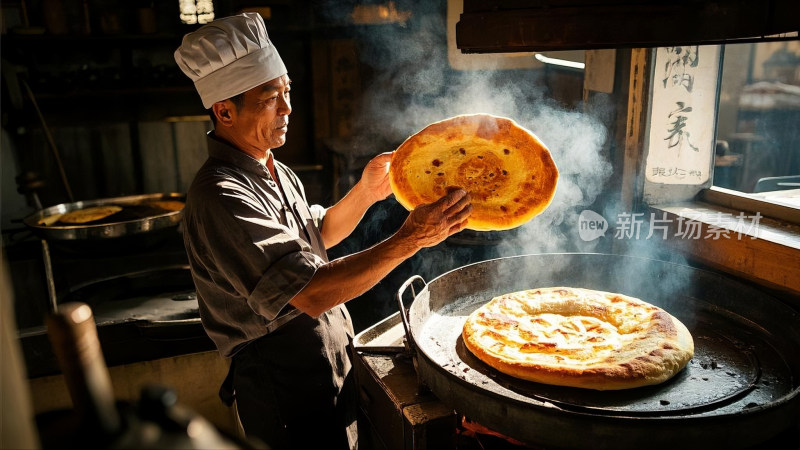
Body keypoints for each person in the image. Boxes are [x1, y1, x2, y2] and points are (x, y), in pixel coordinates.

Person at [174, 12, 472, 450]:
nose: (288, 108)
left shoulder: (271, 168)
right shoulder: (221, 196)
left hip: (326, 361)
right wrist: (411, 238)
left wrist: (367, 192)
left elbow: (319, 233)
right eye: (271, 98)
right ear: (224, 110)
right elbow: (311, 292)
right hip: (283, 381)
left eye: (287, 92)